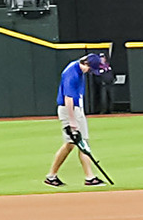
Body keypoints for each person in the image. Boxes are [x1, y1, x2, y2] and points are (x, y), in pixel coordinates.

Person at [45, 50, 116, 188]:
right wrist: (72, 122)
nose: (89, 71)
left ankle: (53, 176)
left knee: (74, 144)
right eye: (89, 68)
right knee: (78, 142)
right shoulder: (71, 73)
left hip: (75, 109)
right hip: (69, 110)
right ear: (86, 63)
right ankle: (88, 177)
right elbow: (68, 99)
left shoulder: (78, 70)